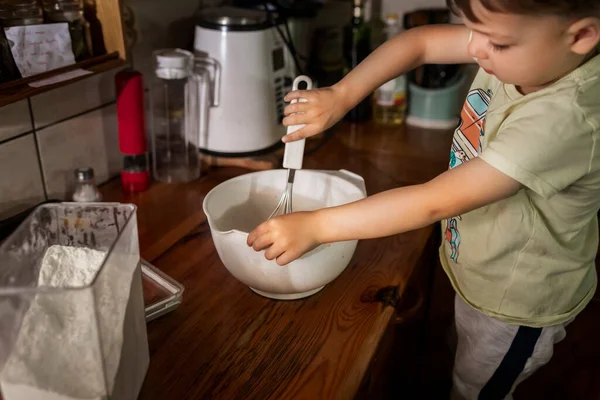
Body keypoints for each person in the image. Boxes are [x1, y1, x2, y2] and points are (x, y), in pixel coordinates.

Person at [247, 0, 600, 398]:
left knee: (476, 387)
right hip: (484, 266)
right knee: (461, 348)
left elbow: (434, 201)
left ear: (581, 36)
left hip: (518, 304)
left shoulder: (564, 119)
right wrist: (343, 94)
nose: (477, 49)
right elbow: (422, 43)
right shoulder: (525, 43)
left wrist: (317, 225)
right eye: (471, 30)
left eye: (497, 44)